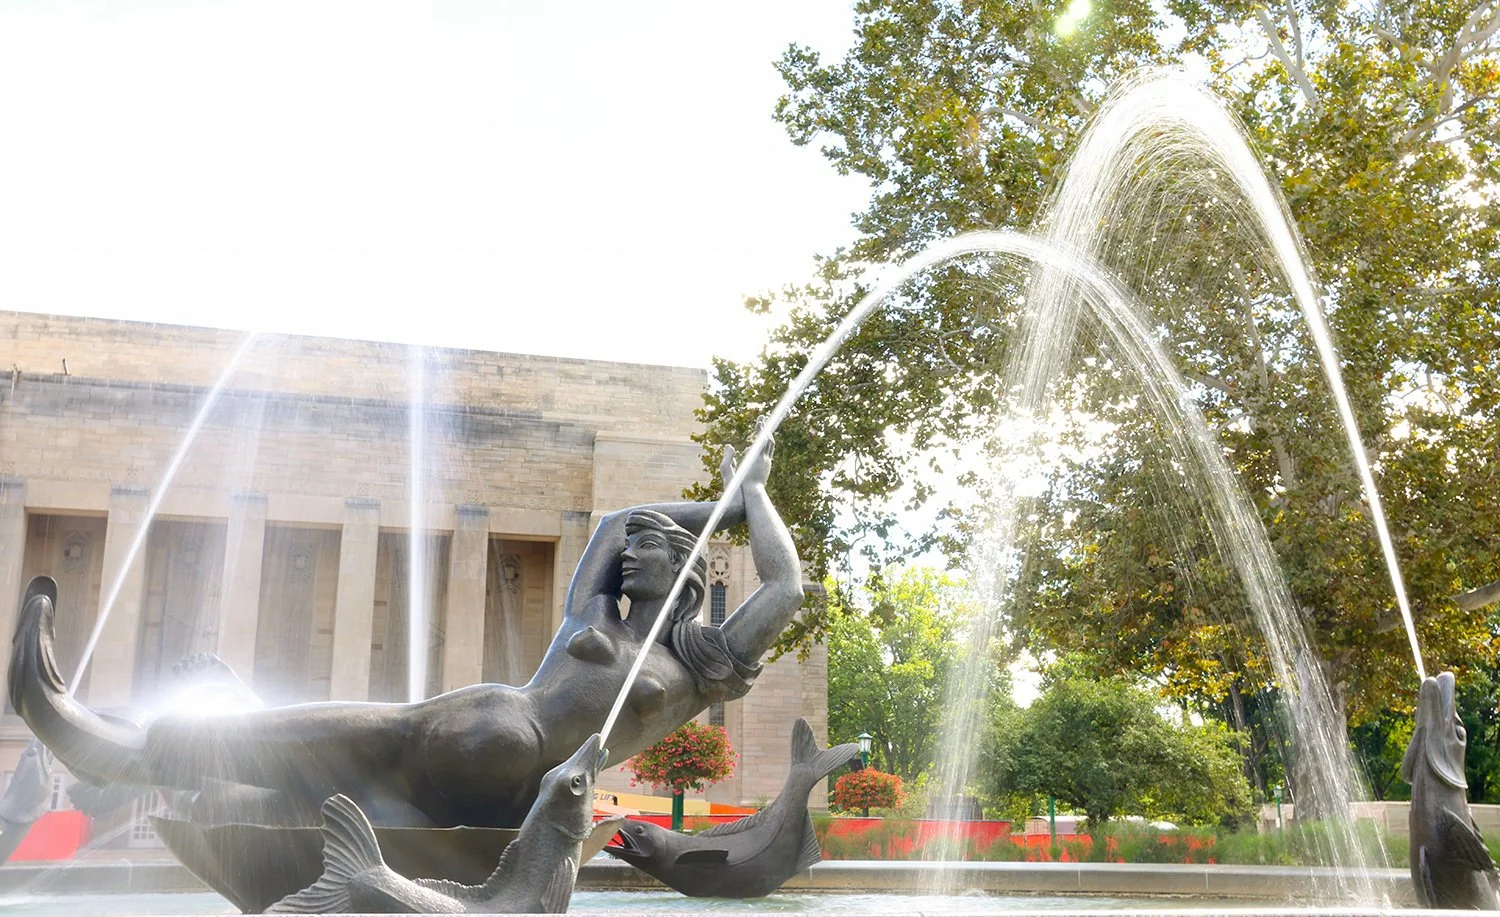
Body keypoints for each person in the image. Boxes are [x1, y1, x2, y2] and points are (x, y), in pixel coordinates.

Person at [10, 436, 801, 828]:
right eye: (631, 553)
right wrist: (727, 506)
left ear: (690, 574)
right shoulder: (640, 645)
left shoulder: (694, 659)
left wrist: (754, 497)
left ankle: (119, 751)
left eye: (652, 551)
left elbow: (786, 584)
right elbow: (615, 518)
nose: (630, 557)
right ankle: (161, 766)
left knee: (339, 739)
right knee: (322, 787)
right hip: (516, 788)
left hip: (498, 730)